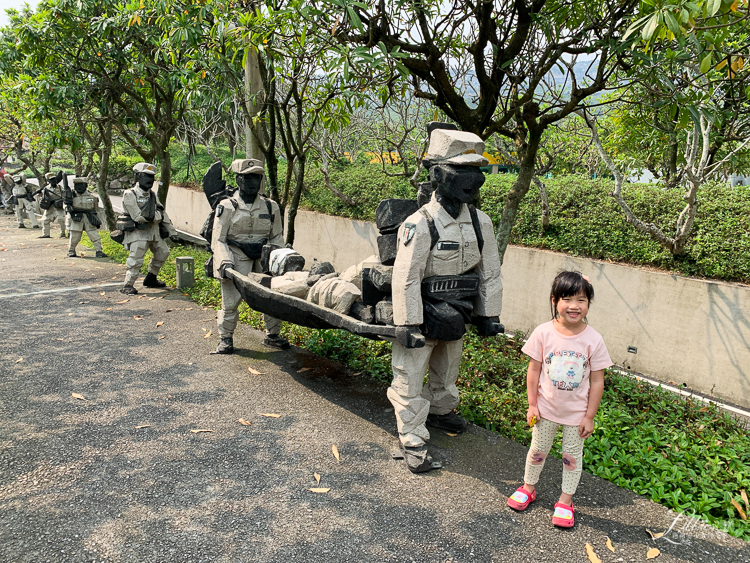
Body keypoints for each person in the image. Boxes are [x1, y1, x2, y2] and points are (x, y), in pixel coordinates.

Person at [389, 128, 503, 473]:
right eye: (462, 170)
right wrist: (406, 322)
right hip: (423, 311)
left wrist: (488, 314)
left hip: (458, 310)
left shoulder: (481, 223)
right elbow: (406, 276)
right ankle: (411, 435)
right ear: (438, 174)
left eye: (477, 171)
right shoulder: (419, 224)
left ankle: (442, 410)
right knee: (410, 372)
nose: (473, 179)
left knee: (449, 367)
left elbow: (490, 272)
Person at [506, 271, 612, 528]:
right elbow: (534, 370)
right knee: (538, 451)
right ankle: (529, 487)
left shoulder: (594, 340)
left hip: (576, 415)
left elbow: (597, 381)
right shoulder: (543, 333)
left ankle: (565, 501)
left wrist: (589, 416)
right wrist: (532, 404)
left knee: (571, 457)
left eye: (582, 300)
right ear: (555, 300)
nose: (574, 306)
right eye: (567, 298)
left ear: (589, 304)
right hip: (545, 410)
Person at [211, 158, 289, 353]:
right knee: (231, 301)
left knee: (272, 297)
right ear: (238, 180)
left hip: (263, 257)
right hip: (236, 256)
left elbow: (277, 236)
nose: (253, 182)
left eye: (256, 177)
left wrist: (280, 259)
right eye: (247, 178)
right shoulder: (227, 207)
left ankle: (273, 335)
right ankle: (226, 338)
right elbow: (218, 239)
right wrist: (225, 262)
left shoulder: (270, 207)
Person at [119, 162, 178, 295]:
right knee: (135, 259)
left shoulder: (152, 195)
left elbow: (163, 214)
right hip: (138, 233)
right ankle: (128, 284)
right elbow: (138, 216)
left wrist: (172, 232)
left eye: (152, 177)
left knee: (163, 252)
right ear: (138, 177)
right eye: (146, 176)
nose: (150, 180)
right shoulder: (130, 194)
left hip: (154, 232)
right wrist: (156, 216)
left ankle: (151, 277)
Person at [65, 177, 107, 258]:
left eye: (81, 185)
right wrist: (67, 203)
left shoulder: (92, 196)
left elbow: (96, 209)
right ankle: (71, 251)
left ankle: (99, 251)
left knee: (95, 236)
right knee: (74, 237)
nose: (79, 187)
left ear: (86, 185)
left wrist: (97, 220)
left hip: (89, 218)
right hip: (76, 218)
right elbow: (66, 209)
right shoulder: (70, 196)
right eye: (77, 185)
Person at [38, 172, 67, 238]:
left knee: (61, 219)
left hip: (58, 206)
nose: (54, 181)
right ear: (48, 181)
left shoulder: (60, 188)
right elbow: (43, 197)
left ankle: (63, 233)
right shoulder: (46, 188)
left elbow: (64, 195)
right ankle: (46, 234)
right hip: (50, 207)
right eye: (51, 180)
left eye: (54, 179)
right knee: (45, 220)